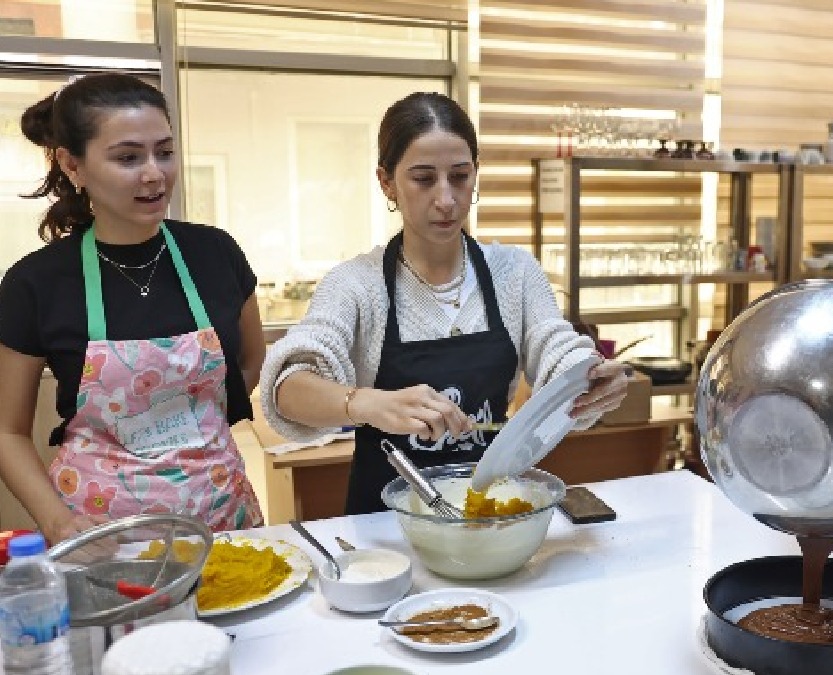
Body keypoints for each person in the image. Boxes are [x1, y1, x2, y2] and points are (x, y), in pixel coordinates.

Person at [261, 92, 632, 516]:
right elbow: (286, 388)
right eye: (423, 179)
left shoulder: (515, 272)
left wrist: (588, 378)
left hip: (489, 513)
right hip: (387, 527)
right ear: (387, 182)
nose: (446, 199)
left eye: (459, 176)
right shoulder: (356, 284)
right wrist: (366, 403)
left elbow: (555, 346)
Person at [0, 73, 266, 545]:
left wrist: (191, 432)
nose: (154, 173)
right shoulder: (36, 282)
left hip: (223, 519)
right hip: (103, 535)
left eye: (164, 152)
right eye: (128, 157)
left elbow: (250, 360)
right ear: (73, 165)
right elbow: (7, 431)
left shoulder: (216, 253)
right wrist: (57, 523)